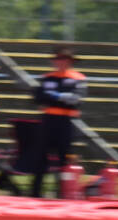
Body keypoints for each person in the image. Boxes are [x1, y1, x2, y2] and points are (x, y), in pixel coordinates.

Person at [30, 46, 87, 198]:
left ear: (70, 61)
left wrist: (56, 97)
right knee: (40, 156)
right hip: (48, 121)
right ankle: (35, 193)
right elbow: (38, 98)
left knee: (65, 159)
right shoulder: (47, 77)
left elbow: (76, 100)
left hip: (66, 122)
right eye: (58, 59)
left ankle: (64, 193)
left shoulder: (78, 78)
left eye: (64, 59)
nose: (61, 62)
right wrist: (63, 98)